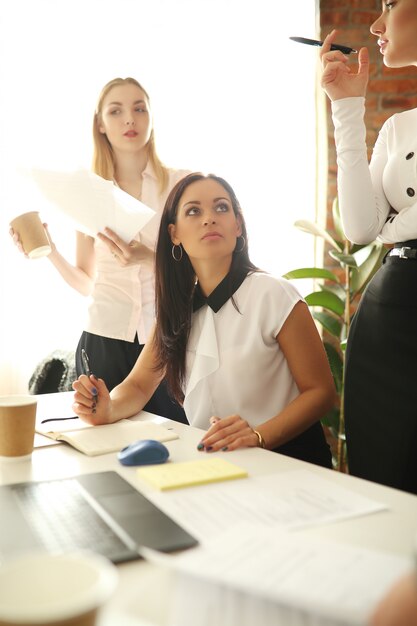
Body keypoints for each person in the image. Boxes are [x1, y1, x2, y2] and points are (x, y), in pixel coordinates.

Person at [72, 173, 336, 465]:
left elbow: (321, 392)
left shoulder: (274, 294)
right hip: (218, 462)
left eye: (221, 208)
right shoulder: (177, 309)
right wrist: (108, 408)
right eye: (193, 211)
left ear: (238, 225)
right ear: (174, 233)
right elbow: (138, 386)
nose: (209, 218)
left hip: (289, 460)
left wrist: (258, 436)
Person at [10, 77, 189, 423]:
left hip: (165, 336)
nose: (129, 120)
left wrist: (147, 257)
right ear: (100, 124)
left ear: (152, 118)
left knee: (174, 440)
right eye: (116, 110)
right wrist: (51, 252)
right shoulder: (87, 193)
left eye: (140, 109)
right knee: (103, 438)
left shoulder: (182, 185)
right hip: (103, 336)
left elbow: (202, 266)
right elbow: (86, 282)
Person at [319, 6, 417, 494]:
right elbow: (361, 227)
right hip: (390, 314)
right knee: (382, 483)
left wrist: (400, 222)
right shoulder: (400, 127)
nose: (376, 27)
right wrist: (346, 107)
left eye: (391, 6)